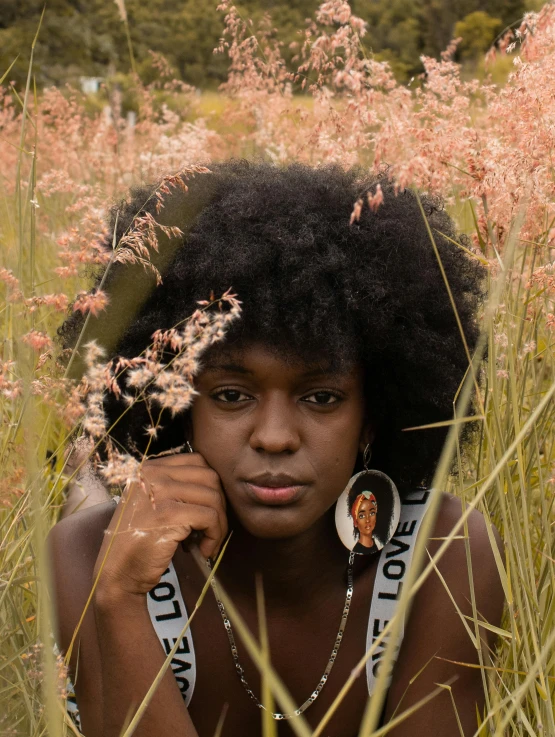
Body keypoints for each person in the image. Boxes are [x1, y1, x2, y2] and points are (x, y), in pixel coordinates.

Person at [48, 161, 504, 737]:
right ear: (180, 398)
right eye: (232, 395)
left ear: (374, 415)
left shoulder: (444, 555)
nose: (275, 436)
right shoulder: (90, 558)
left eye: (321, 397)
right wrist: (118, 597)